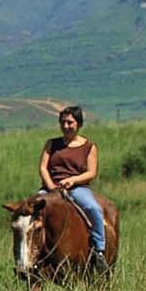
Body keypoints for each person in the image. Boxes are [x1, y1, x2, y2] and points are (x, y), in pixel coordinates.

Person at [38, 105, 107, 269]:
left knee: (93, 208)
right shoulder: (51, 144)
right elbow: (43, 167)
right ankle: (30, 252)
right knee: (29, 210)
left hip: (76, 187)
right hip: (51, 187)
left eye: (70, 122)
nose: (65, 126)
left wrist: (73, 180)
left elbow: (91, 172)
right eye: (63, 122)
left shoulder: (89, 146)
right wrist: (50, 186)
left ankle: (99, 250)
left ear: (78, 124)